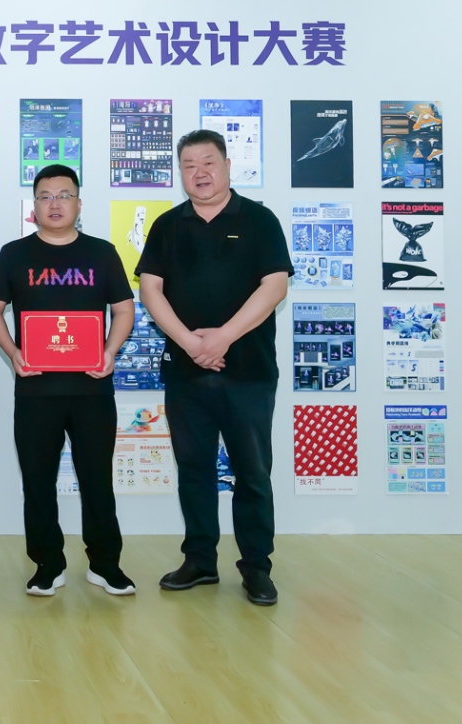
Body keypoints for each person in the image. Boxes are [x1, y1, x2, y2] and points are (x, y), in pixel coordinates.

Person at [135, 129, 293, 606]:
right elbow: (150, 289)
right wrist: (189, 343)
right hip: (186, 374)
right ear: (180, 173)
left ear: (227, 166)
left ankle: (257, 568)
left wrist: (222, 337)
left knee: (252, 473)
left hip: (249, 372)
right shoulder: (168, 225)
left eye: (208, 162)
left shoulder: (259, 219)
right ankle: (200, 561)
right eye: (189, 165)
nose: (199, 172)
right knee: (194, 470)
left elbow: (274, 286)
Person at [0, 164, 137, 598]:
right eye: (45, 196)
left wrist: (109, 351)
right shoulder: (15, 254)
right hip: (36, 389)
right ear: (33, 206)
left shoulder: (102, 253)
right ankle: (47, 565)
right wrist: (13, 353)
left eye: (64, 195)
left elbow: (124, 309)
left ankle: (105, 565)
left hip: (92, 388)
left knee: (97, 481)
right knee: (38, 482)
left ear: (78, 204)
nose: (55, 204)